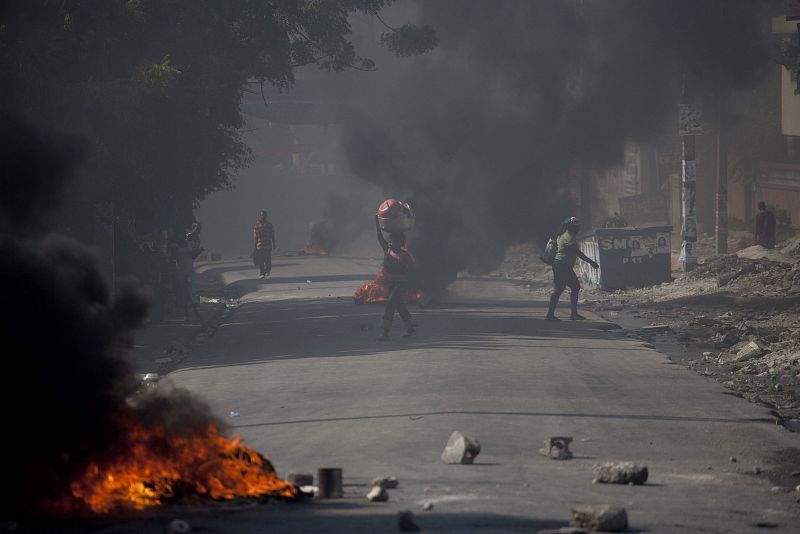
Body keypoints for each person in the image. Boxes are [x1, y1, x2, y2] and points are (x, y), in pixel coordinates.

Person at [545, 216, 599, 321]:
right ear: (570, 227)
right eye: (575, 227)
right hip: (562, 265)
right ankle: (571, 314)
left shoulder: (564, 235)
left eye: (578, 226)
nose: (578, 229)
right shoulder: (568, 237)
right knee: (574, 287)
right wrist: (591, 262)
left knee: (560, 289)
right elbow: (578, 253)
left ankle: (552, 315)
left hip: (560, 265)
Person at [375, 215, 416, 341]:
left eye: (394, 241)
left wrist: (411, 284)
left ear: (401, 243)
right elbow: (380, 238)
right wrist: (377, 223)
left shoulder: (405, 255)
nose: (391, 242)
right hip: (391, 285)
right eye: (390, 240)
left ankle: (384, 331)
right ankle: (411, 327)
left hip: (401, 285)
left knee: (391, 305)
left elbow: (413, 270)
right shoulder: (387, 251)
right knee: (399, 306)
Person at [253, 210, 276, 278]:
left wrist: (274, 244)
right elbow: (255, 236)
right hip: (259, 246)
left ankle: (267, 270)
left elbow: (272, 235)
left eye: (264, 215)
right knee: (261, 261)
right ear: (260, 215)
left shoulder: (269, 225)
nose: (263, 216)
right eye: (262, 215)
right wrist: (255, 246)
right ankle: (262, 273)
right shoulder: (256, 225)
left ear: (266, 216)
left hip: (267, 246)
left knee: (268, 261)